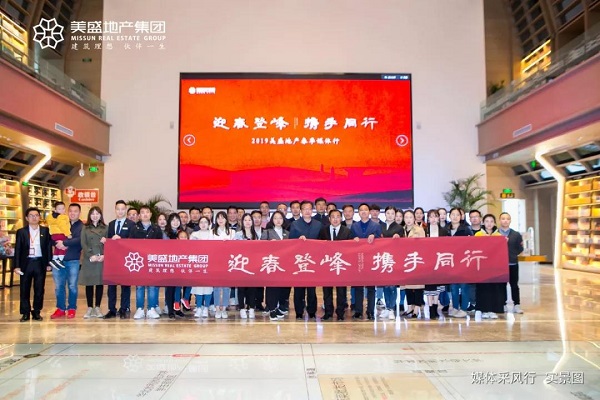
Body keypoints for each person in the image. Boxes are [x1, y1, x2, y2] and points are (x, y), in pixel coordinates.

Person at [14, 207, 52, 322]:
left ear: (39, 217)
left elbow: (48, 248)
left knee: (39, 289)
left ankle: (36, 312)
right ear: (27, 218)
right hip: (26, 263)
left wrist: (49, 263)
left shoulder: (45, 231)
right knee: (24, 289)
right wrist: (16, 266)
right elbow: (18, 249)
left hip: (40, 262)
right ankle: (25, 312)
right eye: (31, 215)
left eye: (36, 215)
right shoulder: (21, 232)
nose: (34, 217)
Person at [289, 200, 322, 320]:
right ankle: (299, 311)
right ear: (301, 211)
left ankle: (312, 311)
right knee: (298, 288)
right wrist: (298, 239)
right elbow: (290, 241)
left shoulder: (318, 224)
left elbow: (322, 242)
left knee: (312, 288)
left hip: (313, 260)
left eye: (309, 209)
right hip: (299, 261)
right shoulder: (295, 224)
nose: (307, 211)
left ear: (312, 210)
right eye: (305, 209)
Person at [318, 209, 353, 321]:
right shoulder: (323, 231)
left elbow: (351, 248)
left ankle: (340, 313)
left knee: (341, 291)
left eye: (338, 217)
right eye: (333, 217)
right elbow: (318, 246)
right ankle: (328, 312)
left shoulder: (347, 231)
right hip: (327, 265)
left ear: (341, 218)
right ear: (329, 219)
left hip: (340, 265)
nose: (335, 219)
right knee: (327, 291)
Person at [103, 200, 136, 319]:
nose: (120, 211)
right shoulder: (111, 224)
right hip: (113, 259)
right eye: (118, 209)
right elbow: (108, 240)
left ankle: (123, 309)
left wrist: (121, 239)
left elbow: (133, 242)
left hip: (126, 259)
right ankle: (111, 309)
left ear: (125, 210)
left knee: (125, 285)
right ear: (115, 210)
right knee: (111, 286)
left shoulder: (131, 224)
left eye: (122, 209)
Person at [50, 203, 83, 319]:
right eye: (70, 211)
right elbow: (52, 235)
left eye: (75, 211)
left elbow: (79, 240)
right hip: (58, 260)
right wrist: (57, 243)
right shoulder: (61, 222)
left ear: (79, 213)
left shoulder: (82, 226)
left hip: (73, 260)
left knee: (72, 286)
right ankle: (60, 308)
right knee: (59, 286)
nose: (72, 213)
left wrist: (64, 243)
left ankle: (72, 308)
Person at [350, 203, 382, 320]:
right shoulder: (354, 226)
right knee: (358, 287)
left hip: (371, 260)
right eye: (361, 210)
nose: (363, 212)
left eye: (366, 210)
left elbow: (381, 241)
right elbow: (349, 241)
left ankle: (370, 311)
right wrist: (353, 239)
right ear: (358, 212)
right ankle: (358, 311)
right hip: (358, 260)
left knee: (371, 288)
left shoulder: (376, 225)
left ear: (369, 212)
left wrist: (374, 236)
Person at [131, 205, 164, 319]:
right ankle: (140, 308)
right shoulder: (134, 228)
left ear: (150, 214)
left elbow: (160, 245)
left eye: (147, 212)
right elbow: (130, 245)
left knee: (152, 285)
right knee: (140, 286)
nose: (145, 214)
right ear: (139, 216)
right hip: (139, 261)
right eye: (142, 212)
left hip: (152, 261)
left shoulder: (156, 229)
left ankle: (151, 308)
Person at [474, 214, 506, 319]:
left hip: (494, 267)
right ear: (483, 222)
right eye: (487, 221)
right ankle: (483, 310)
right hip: (481, 266)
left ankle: (492, 310)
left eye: (491, 221)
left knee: (493, 288)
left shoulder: (499, 236)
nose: (489, 223)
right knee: (483, 288)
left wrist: (504, 242)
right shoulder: (478, 234)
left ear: (494, 223)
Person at [79, 206, 108, 319]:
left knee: (100, 283)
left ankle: (98, 307)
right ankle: (90, 307)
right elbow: (83, 243)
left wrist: (104, 254)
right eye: (93, 214)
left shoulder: (105, 228)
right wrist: (91, 255)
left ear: (100, 215)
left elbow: (110, 243)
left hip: (101, 258)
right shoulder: (85, 228)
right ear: (89, 216)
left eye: (97, 214)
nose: (95, 216)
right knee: (89, 284)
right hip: (89, 259)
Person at [261, 211, 289, 321]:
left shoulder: (287, 233)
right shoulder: (267, 232)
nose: (278, 220)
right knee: (271, 287)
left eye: (280, 218)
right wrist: (268, 244)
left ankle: (277, 307)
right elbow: (260, 247)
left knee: (281, 287)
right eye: (275, 218)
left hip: (283, 264)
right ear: (272, 220)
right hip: (271, 263)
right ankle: (272, 309)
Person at [447, 207, 472, 318]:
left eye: (457, 215)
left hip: (463, 262)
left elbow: (471, 244)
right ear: (449, 216)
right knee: (454, 287)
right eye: (453, 214)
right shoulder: (446, 229)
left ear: (461, 216)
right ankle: (455, 307)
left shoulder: (466, 229)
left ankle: (464, 308)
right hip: (451, 262)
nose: (455, 217)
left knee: (464, 286)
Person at [424, 209, 449, 320]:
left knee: (438, 287)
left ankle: (435, 307)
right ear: (428, 219)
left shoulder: (443, 231)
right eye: (431, 217)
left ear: (438, 218)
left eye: (435, 216)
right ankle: (430, 309)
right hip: (428, 262)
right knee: (429, 287)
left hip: (439, 261)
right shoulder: (424, 231)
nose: (433, 219)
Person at [379, 206, 403, 320]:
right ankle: (388, 307)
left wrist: (399, 237)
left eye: (392, 213)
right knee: (385, 284)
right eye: (388, 213)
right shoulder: (380, 226)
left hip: (394, 259)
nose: (390, 215)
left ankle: (391, 308)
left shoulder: (399, 228)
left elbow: (403, 243)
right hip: (383, 258)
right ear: (385, 214)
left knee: (392, 285)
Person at [402, 209, 426, 318]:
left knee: (418, 285)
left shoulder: (419, 230)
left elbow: (424, 245)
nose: (408, 219)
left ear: (414, 218)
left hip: (417, 259)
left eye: (410, 217)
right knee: (407, 285)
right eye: (406, 217)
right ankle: (410, 307)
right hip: (406, 260)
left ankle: (416, 308)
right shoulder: (402, 230)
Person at [499, 212, 524, 314]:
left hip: (512, 263)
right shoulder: (496, 234)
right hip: (500, 264)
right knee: (501, 285)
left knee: (514, 285)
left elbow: (520, 248)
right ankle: (502, 304)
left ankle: (516, 304)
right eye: (503, 218)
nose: (505, 221)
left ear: (510, 221)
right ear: (499, 220)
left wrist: (512, 254)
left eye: (507, 219)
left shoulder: (516, 234)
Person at [212, 211, 236, 319]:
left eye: (222, 218)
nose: (220, 220)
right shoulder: (212, 232)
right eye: (218, 218)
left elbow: (235, 247)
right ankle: (217, 308)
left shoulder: (232, 232)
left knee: (226, 287)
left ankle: (224, 308)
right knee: (217, 287)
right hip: (215, 262)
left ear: (226, 219)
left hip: (228, 262)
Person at [234, 213, 259, 319]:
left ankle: (251, 308)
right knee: (241, 288)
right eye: (245, 220)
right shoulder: (238, 234)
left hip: (252, 265)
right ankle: (242, 308)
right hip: (241, 264)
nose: (247, 222)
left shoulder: (256, 235)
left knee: (252, 288)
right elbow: (234, 248)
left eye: (249, 220)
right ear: (242, 222)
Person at [190, 217, 214, 318]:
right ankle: (199, 307)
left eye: (205, 222)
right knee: (198, 288)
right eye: (201, 222)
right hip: (198, 264)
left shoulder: (212, 234)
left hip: (210, 264)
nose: (203, 224)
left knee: (208, 288)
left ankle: (206, 308)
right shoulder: (194, 235)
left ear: (209, 224)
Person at [46, 201, 70, 269]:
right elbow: (63, 226)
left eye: (63, 208)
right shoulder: (62, 217)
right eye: (59, 209)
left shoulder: (51, 217)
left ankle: (54, 260)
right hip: (61, 233)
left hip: (54, 235)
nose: (62, 210)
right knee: (63, 246)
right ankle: (60, 260)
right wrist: (68, 234)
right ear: (55, 210)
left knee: (58, 248)